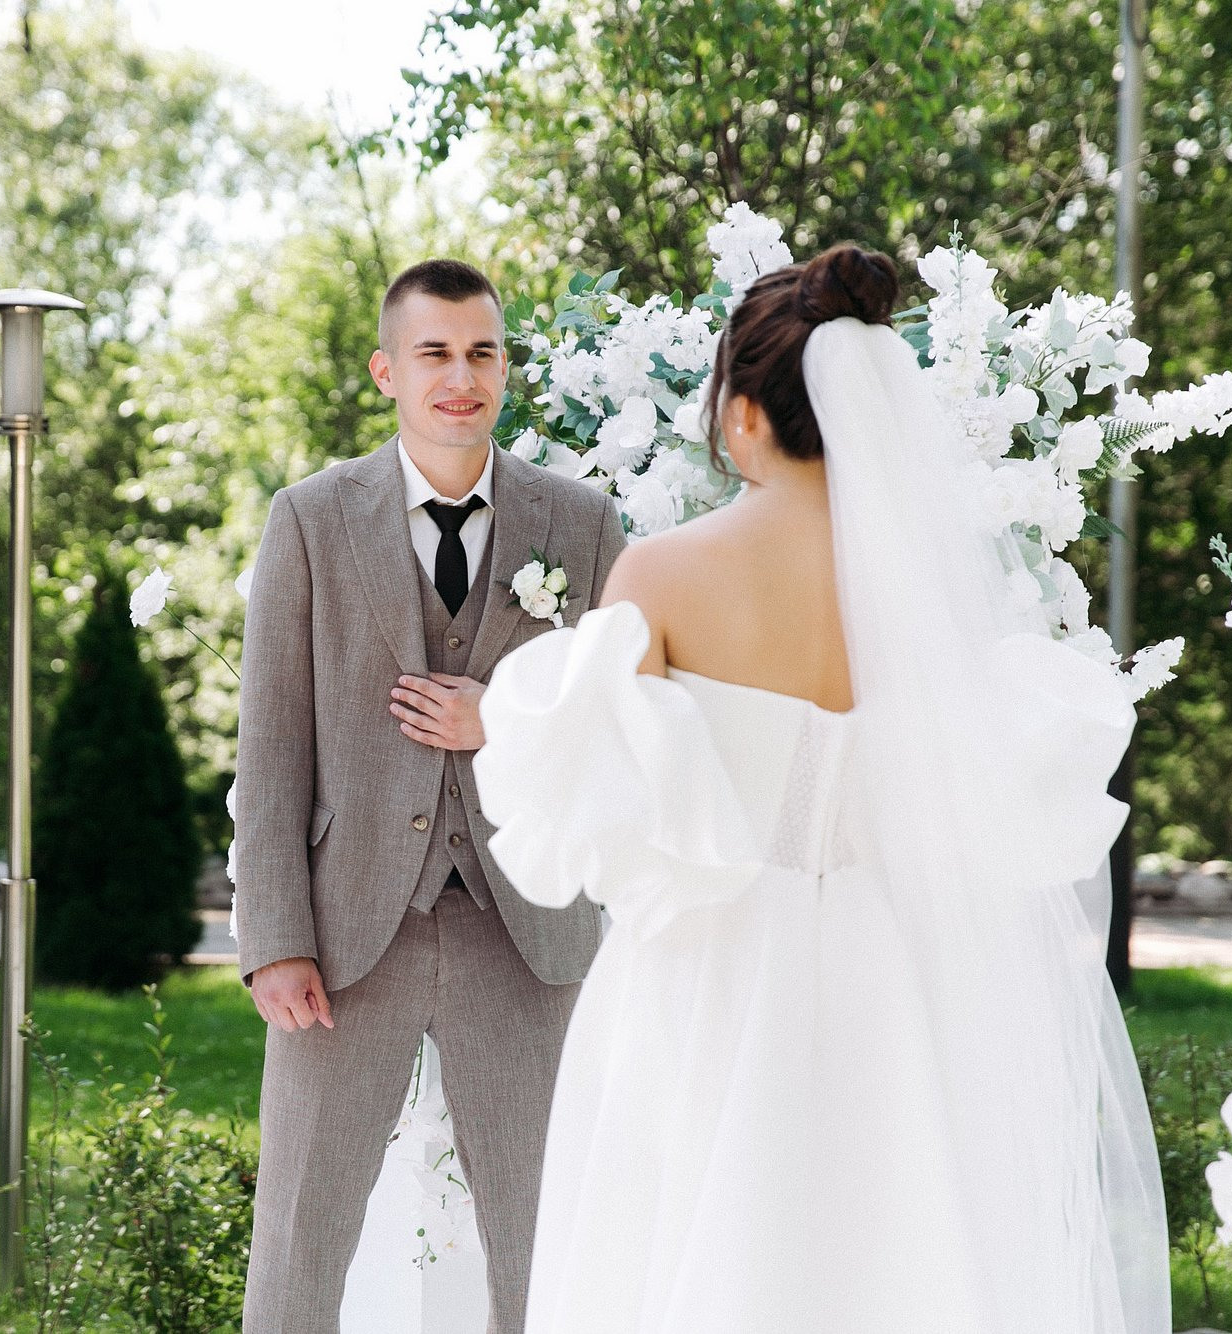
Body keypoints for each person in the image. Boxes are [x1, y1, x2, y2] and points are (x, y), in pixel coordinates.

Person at [474, 244, 1171, 1332]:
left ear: (742, 413)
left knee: (687, 1254)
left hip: (704, 972)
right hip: (894, 970)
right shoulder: (929, 600)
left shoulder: (662, 573)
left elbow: (607, 805)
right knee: (897, 1256)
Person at [234, 258, 628, 1333]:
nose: (462, 376)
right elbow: (269, 747)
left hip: (530, 931)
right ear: (386, 370)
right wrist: (272, 934)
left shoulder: (582, 525)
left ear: (504, 366)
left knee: (551, 1242)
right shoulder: (309, 520)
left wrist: (498, 717)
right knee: (298, 1238)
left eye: (482, 351)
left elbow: (624, 727)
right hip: (345, 933)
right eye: (435, 353)